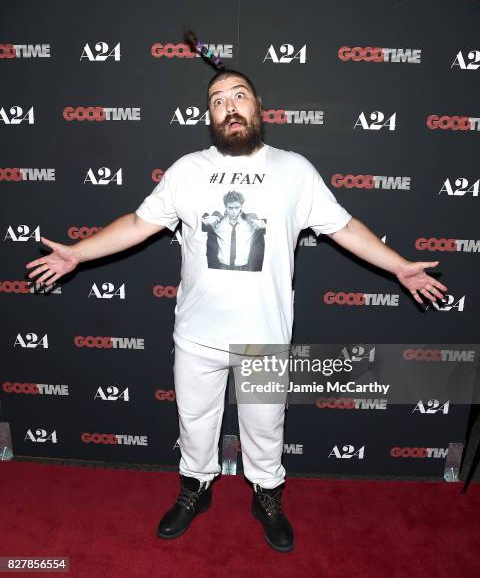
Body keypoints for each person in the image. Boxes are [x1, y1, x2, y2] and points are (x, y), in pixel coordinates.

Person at [25, 34, 448, 553]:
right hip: (197, 335)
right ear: (209, 116)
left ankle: (267, 494)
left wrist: (401, 266)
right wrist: (78, 253)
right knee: (195, 422)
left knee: (265, 427)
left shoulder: (294, 171)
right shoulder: (187, 170)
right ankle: (195, 487)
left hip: (263, 338)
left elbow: (344, 227)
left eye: (239, 95)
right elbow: (137, 222)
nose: (229, 106)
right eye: (218, 100)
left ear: (259, 107)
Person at [201, 190, 266, 270]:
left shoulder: (250, 223)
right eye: (230, 208)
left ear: (241, 207)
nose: (234, 212)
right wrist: (207, 221)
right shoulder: (218, 223)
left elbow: (269, 228)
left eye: (237, 208)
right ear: (225, 207)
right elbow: (198, 227)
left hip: (244, 268)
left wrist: (261, 224)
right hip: (222, 267)